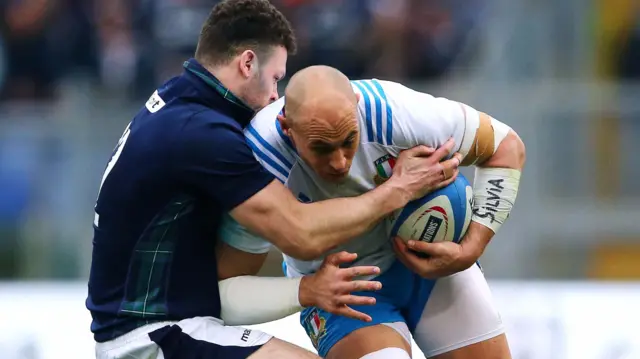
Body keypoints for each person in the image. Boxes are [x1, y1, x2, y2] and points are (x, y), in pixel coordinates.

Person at [85, 1, 461, 358]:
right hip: (155, 336)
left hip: (155, 328)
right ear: (248, 63)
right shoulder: (203, 133)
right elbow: (301, 233)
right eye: (276, 78)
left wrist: (306, 289)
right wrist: (397, 190)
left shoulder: (177, 101)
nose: (274, 97)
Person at [221, 65, 526, 359]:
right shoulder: (258, 161)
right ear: (287, 128)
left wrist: (471, 247)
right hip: (340, 289)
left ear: (356, 106)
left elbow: (506, 147)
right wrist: (397, 191)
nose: (339, 162)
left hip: (435, 270)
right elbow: (226, 286)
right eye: (321, 148)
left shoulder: (394, 112)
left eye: (348, 141)